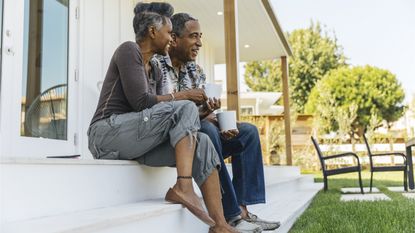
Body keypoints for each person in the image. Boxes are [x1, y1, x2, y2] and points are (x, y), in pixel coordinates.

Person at [88, 3, 238, 233]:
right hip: (106, 134)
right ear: (152, 32)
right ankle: (183, 186)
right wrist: (186, 96)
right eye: (169, 32)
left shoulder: (155, 69)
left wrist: (202, 113)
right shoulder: (129, 51)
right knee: (184, 105)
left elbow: (163, 114)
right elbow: (142, 102)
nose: (171, 38)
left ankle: (220, 225)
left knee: (203, 143)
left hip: (136, 140)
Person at [153, 13, 281, 233]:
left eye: (200, 37)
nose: (200, 43)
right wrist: (204, 118)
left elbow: (202, 112)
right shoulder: (156, 65)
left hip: (201, 132)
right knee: (208, 132)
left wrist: (215, 116)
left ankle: (242, 211)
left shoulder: (196, 70)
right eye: (193, 36)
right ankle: (230, 215)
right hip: (173, 141)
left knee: (247, 132)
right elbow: (156, 111)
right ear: (174, 38)